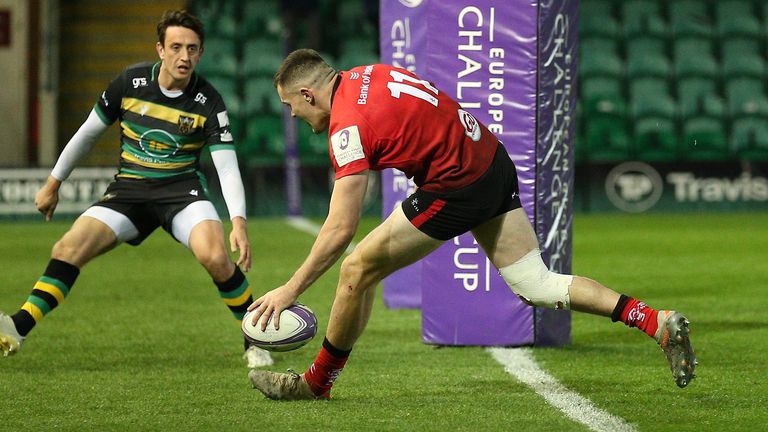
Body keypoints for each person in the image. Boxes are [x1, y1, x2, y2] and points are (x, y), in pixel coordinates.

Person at [246, 49, 697, 400]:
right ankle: (655, 321)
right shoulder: (372, 73)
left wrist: (291, 289)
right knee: (536, 284)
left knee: (354, 267)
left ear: (307, 94)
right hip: (491, 159)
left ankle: (315, 383)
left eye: (290, 106)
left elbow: (339, 228)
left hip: (457, 184)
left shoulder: (347, 126)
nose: (292, 116)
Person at [0, 10, 273, 368]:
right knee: (68, 246)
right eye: (176, 47)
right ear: (160, 49)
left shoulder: (208, 101)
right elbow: (87, 133)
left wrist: (238, 221)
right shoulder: (129, 83)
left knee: (215, 256)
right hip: (129, 191)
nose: (184, 56)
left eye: (192, 49)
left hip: (182, 191)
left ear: (201, 52)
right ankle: (18, 328)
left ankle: (255, 339)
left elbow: (226, 164)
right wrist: (54, 183)